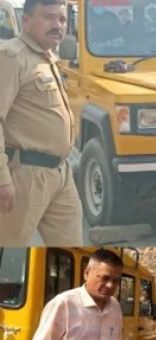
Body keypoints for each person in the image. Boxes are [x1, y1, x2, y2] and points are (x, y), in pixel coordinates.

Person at [0, 0, 82, 246]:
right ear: (26, 20)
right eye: (48, 17)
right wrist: (2, 178)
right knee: (9, 248)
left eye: (62, 19)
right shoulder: (11, 57)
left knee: (73, 248)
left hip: (60, 173)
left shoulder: (48, 57)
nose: (57, 25)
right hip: (24, 174)